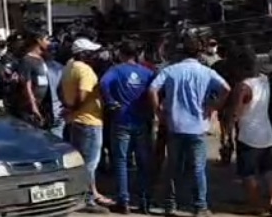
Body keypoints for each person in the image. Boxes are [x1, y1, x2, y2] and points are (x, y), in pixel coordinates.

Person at [149, 36, 230, 217]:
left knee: (173, 167)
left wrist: (159, 112)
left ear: (180, 52)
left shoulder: (171, 70)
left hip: (175, 125)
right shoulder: (206, 72)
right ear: (199, 52)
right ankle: (199, 206)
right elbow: (227, 88)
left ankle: (170, 204)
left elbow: (152, 89)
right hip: (198, 126)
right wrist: (213, 106)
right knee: (198, 168)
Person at [100, 41, 156, 214]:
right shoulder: (147, 72)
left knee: (121, 161)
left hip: (121, 120)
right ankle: (144, 201)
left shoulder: (115, 70)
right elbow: (156, 90)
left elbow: (103, 83)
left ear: (121, 54)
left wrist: (110, 101)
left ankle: (123, 201)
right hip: (142, 121)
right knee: (143, 163)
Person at [62, 37, 111, 212]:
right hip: (89, 121)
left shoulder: (69, 67)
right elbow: (82, 96)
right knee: (90, 163)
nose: (94, 55)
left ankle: (90, 193)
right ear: (83, 54)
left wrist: (69, 109)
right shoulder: (86, 71)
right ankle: (87, 200)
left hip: (77, 121)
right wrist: (72, 108)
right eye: (91, 53)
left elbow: (63, 90)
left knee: (82, 160)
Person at [232, 51, 272, 215]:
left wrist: (231, 123)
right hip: (267, 132)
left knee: (247, 172)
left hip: (249, 135)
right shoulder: (265, 81)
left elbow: (238, 111)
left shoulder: (245, 85)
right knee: (268, 170)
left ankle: (256, 206)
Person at [17, 33, 53, 129]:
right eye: (47, 39)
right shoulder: (27, 60)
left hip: (43, 105)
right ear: (38, 40)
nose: (49, 42)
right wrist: (33, 106)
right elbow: (26, 84)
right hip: (30, 109)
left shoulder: (43, 58)